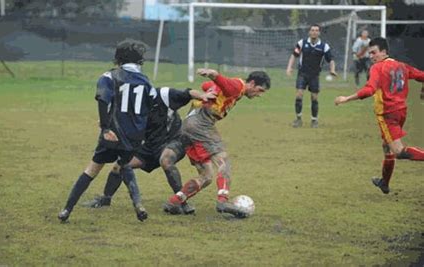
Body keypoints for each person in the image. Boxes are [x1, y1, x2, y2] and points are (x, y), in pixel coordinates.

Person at [58, 39, 156, 222]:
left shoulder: (109, 77)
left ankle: (66, 210)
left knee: (91, 170)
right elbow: (151, 108)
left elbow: (103, 100)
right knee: (124, 167)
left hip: (113, 134)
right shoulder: (146, 82)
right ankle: (138, 204)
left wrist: (105, 127)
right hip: (134, 136)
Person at [84, 86, 216, 214]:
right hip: (148, 146)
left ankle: (181, 202)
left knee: (166, 160)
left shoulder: (162, 94)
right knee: (119, 166)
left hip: (175, 140)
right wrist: (107, 124)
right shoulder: (130, 106)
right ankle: (105, 199)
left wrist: (203, 96)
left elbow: (188, 93)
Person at [163, 68, 270, 218]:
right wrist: (212, 73)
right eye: (259, 90)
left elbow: (206, 85)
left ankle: (174, 201)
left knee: (206, 175)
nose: (259, 95)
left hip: (187, 127)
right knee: (224, 162)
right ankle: (223, 201)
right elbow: (217, 78)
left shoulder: (233, 88)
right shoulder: (238, 86)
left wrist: (212, 87)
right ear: (252, 83)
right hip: (201, 125)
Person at [334, 37, 424, 194]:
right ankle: (384, 182)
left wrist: (346, 98)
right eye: (369, 53)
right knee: (387, 147)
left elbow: (369, 90)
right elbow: (421, 75)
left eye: (373, 52)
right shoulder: (401, 66)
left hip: (387, 114)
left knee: (399, 151)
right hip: (401, 111)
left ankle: (385, 181)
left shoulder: (377, 68)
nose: (371, 56)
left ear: (384, 52)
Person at [286, 24, 337, 128]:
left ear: (319, 33)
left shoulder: (324, 46)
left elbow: (331, 60)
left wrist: (332, 70)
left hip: (314, 75)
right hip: (302, 74)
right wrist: (289, 67)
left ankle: (314, 120)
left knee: (314, 98)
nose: (314, 32)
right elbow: (293, 55)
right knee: (299, 95)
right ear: (309, 32)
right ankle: (298, 119)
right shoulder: (302, 43)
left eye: (316, 30)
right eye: (312, 30)